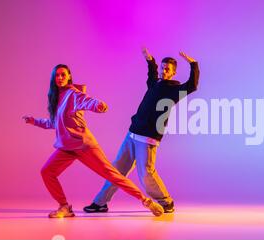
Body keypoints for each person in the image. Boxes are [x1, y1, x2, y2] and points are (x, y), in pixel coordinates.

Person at [23, 64, 164, 218]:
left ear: (69, 76)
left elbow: (87, 101)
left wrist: (98, 106)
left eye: (63, 75)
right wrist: (34, 121)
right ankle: (64, 207)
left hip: (84, 146)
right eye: (57, 75)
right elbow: (54, 123)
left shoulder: (73, 94)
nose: (60, 78)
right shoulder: (57, 98)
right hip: (66, 148)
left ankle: (146, 201)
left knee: (113, 175)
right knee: (47, 172)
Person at [84, 48, 199, 214]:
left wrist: (193, 64)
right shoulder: (154, 84)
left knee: (146, 174)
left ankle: (166, 202)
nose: (163, 71)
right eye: (162, 67)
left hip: (148, 138)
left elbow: (192, 85)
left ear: (173, 73)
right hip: (132, 134)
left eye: (167, 69)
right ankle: (100, 203)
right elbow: (151, 76)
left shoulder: (175, 91)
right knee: (116, 171)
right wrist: (150, 61)